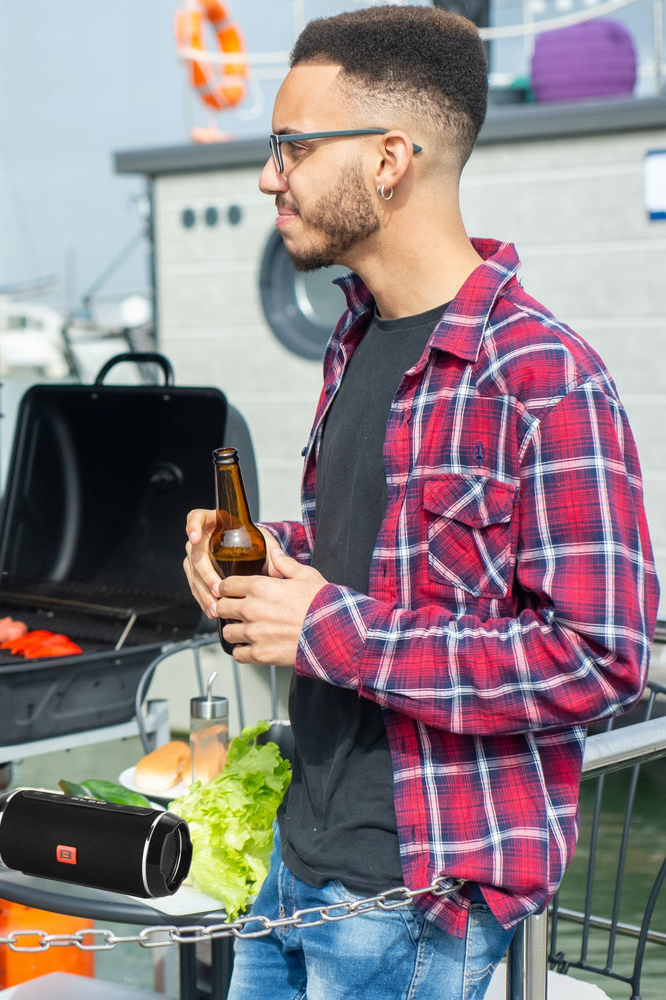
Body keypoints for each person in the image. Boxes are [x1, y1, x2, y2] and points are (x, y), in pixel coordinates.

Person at [179, 8, 659, 999]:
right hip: (291, 859)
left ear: (389, 157)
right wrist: (260, 553)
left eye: (293, 147)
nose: (270, 176)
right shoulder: (352, 338)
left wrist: (327, 631)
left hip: (412, 893)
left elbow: (601, 658)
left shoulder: (545, 376)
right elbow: (365, 550)